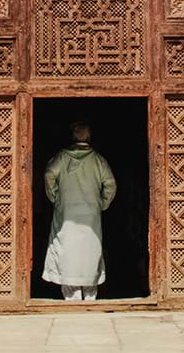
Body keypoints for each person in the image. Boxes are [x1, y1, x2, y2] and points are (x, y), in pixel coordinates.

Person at [42, 120, 117, 301]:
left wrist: (55, 197)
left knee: (67, 248)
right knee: (90, 250)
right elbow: (110, 184)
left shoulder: (62, 157)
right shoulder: (98, 160)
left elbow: (49, 174)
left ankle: (71, 297)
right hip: (91, 213)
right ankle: (90, 296)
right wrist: (102, 203)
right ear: (89, 137)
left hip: (66, 211)